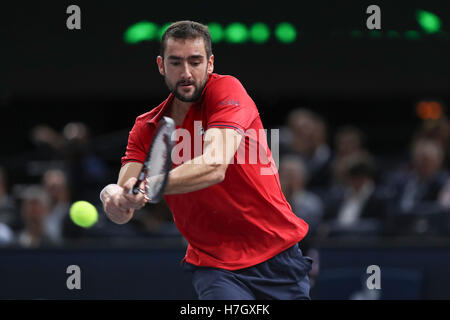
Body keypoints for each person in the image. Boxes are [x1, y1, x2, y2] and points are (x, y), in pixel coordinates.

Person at [100, 20, 311, 300]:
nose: (186, 73)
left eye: (195, 62)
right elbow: (125, 200)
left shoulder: (227, 90)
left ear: (210, 64)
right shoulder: (146, 126)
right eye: (176, 63)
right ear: (162, 66)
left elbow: (213, 166)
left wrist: (152, 186)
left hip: (277, 255)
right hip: (214, 265)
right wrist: (114, 197)